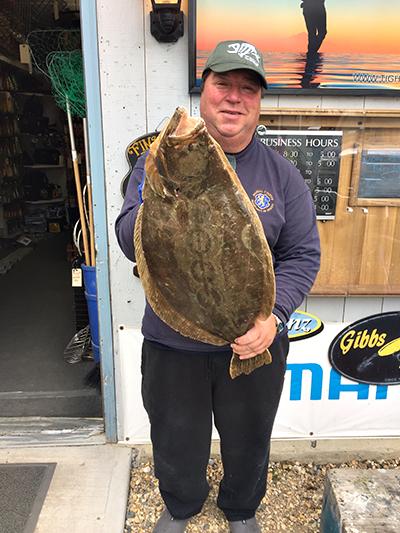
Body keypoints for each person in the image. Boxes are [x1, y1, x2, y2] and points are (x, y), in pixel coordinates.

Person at [115, 40, 320, 533]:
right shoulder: (157, 162)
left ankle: (242, 508)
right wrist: (160, 200)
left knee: (249, 436)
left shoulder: (282, 175)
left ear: (259, 102)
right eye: (223, 84)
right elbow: (127, 239)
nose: (234, 97)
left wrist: (273, 319)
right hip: (172, 339)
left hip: (254, 336)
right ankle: (181, 506)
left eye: (247, 89)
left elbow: (302, 255)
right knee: (175, 435)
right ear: (202, 90)